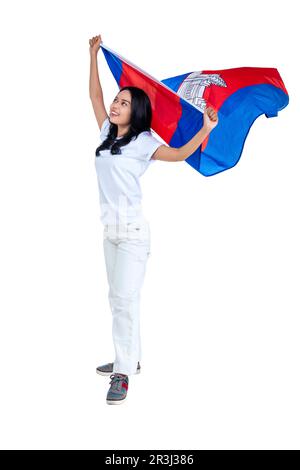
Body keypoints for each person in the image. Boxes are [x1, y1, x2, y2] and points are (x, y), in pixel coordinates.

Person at [89, 34, 218, 405]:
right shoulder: (104, 133)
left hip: (132, 235)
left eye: (123, 102)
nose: (114, 105)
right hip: (109, 232)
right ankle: (128, 358)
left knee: (125, 299)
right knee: (117, 299)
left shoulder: (144, 142)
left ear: (137, 111)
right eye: (117, 99)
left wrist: (206, 130)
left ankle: (123, 373)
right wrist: (92, 56)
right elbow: (95, 98)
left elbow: (178, 154)